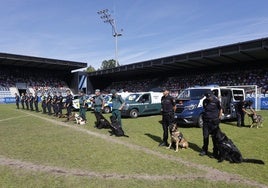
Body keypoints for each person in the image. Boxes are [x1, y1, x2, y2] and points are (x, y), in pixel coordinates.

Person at [199, 90, 222, 158]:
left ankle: (215, 152)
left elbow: (220, 109)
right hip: (206, 121)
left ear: (212, 95)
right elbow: (205, 109)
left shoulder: (216, 101)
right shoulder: (205, 101)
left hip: (214, 121)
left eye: (210, 97)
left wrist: (219, 118)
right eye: (208, 97)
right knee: (205, 136)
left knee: (214, 137)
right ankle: (204, 150)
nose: (209, 98)